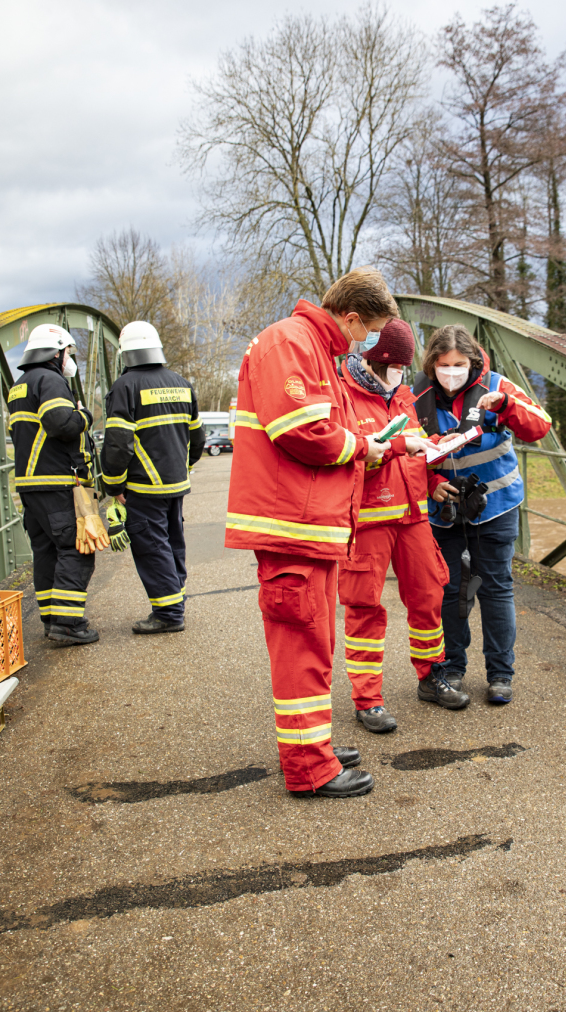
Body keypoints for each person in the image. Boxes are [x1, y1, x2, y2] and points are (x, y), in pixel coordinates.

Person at [225, 266, 397, 798]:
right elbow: (299, 428)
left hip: (310, 525)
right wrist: (362, 448)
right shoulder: (293, 342)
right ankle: (309, 768)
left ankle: (312, 744)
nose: (365, 344)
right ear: (349, 317)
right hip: (292, 525)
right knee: (302, 647)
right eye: (365, 332)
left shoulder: (314, 347)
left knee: (315, 643)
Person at [338, 319, 470, 731]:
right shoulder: (344, 396)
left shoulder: (402, 397)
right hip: (369, 522)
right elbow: (352, 457)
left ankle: (431, 677)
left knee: (429, 596)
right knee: (364, 609)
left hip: (413, 517)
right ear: (377, 361)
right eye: (396, 366)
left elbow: (413, 454)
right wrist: (396, 446)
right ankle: (367, 699)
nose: (400, 374)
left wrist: (433, 482)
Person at [413, 323, 551, 704]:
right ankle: (452, 668)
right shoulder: (414, 395)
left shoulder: (497, 385)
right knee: (449, 591)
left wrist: (505, 406)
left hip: (497, 504)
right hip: (444, 509)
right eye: (444, 364)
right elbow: (401, 451)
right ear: (432, 365)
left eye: (459, 364)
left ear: (472, 361)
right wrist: (429, 482)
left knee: (495, 589)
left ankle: (500, 675)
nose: (452, 371)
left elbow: (540, 426)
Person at [100, 321, 206, 634]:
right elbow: (197, 438)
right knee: (173, 543)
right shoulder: (180, 382)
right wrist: (182, 467)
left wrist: (114, 484)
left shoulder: (126, 387)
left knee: (151, 547)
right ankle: (176, 602)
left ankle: (169, 615)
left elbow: (118, 444)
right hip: (176, 484)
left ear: (125, 353)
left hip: (143, 486)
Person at [8, 324, 101, 645]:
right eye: (67, 353)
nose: (69, 360)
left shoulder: (20, 385)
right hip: (57, 481)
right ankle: (67, 623)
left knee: (46, 551)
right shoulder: (50, 380)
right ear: (56, 351)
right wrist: (86, 415)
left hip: (31, 484)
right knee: (77, 549)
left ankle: (51, 617)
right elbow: (61, 423)